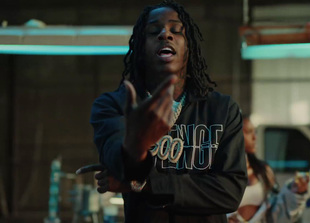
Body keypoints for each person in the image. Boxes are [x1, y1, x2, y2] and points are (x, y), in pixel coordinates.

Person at [76, 0, 247, 222]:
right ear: (140, 47)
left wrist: (146, 184)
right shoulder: (114, 105)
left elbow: (229, 192)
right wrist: (136, 143)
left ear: (189, 48)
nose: (165, 34)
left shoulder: (222, 110)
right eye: (153, 31)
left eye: (176, 30)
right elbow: (119, 165)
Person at [227, 116, 310, 223]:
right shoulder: (215, 172)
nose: (255, 137)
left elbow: (276, 213)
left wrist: (295, 193)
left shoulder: (263, 171)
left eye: (255, 132)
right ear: (232, 135)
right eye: (248, 132)